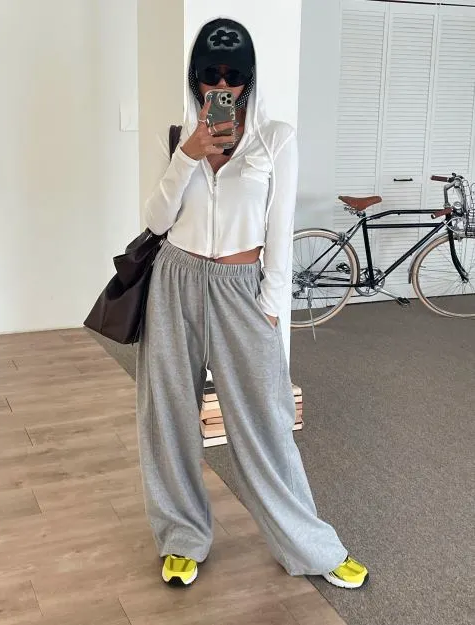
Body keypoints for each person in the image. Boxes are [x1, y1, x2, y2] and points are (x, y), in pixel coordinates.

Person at [136, 17, 369, 589]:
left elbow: (279, 230)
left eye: (233, 74)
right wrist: (188, 154)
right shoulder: (178, 137)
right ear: (195, 78)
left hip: (243, 288)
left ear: (249, 77)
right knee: (168, 416)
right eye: (210, 75)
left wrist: (270, 306)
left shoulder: (275, 138)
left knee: (266, 419)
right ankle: (182, 536)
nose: (223, 86)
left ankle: (310, 545)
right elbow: (156, 222)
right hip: (175, 280)